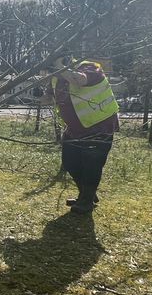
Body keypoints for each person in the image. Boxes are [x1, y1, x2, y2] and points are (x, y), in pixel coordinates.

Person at [42, 54, 119, 214]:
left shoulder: (90, 68)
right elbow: (47, 98)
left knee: (91, 165)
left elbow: (79, 80)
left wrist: (59, 66)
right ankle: (87, 195)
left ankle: (86, 201)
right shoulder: (57, 78)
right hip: (75, 129)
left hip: (99, 128)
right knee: (70, 162)